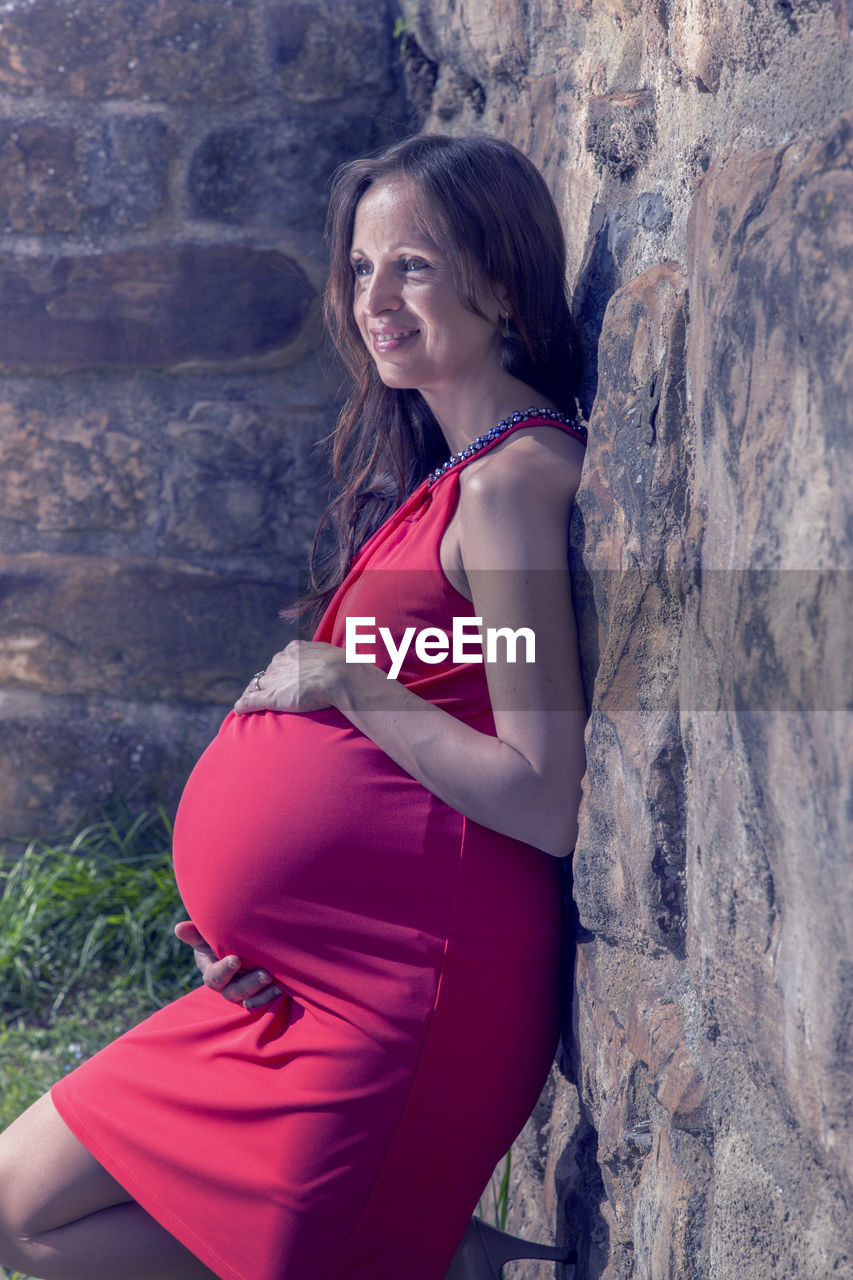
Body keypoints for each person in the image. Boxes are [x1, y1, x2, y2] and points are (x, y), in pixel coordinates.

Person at [0, 133, 587, 1280]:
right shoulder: (446, 475)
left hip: (408, 995)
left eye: (412, 265)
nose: (376, 300)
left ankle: (415, 1250)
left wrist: (348, 685)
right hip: (300, 981)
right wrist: (261, 920)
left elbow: (542, 788)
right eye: (362, 269)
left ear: (502, 277)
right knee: (19, 1207)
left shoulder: (511, 488)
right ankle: (432, 1255)